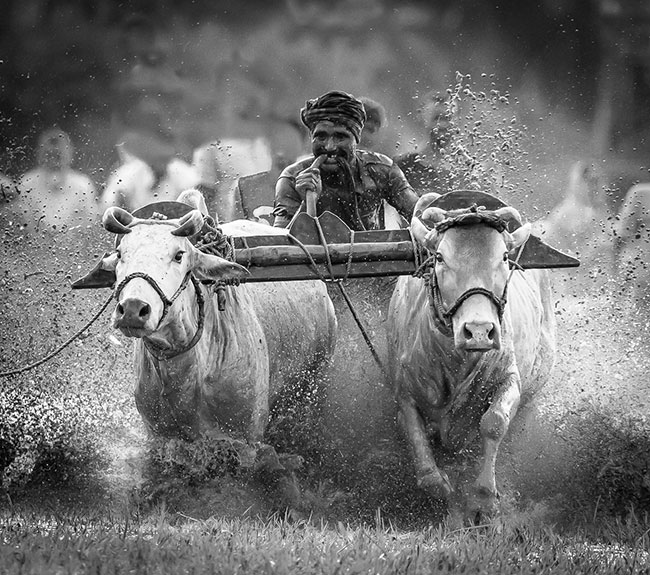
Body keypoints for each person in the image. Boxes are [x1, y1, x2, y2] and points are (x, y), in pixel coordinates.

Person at [272, 90, 419, 231]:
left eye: (340, 137)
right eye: (321, 137)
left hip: (373, 255)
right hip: (311, 256)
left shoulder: (381, 170)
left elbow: (421, 216)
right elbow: (279, 243)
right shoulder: (292, 177)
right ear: (311, 138)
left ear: (356, 139)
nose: (329, 147)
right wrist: (306, 203)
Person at [18, 128, 97, 227]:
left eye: (58, 156)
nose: (53, 162)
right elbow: (25, 223)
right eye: (49, 155)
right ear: (40, 155)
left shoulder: (83, 185)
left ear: (69, 156)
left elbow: (88, 223)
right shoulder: (27, 183)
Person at [393, 91, 459, 196]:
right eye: (436, 118)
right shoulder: (402, 166)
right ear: (421, 118)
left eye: (447, 118)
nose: (442, 125)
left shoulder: (467, 170)